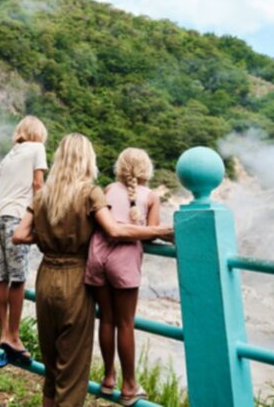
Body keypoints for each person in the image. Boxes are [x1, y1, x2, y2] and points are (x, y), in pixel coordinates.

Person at [12, 134, 173, 407]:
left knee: (51, 371)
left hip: (45, 275)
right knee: (71, 373)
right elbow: (114, 230)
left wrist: (46, 239)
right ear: (88, 159)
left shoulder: (43, 194)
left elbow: (19, 234)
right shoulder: (89, 192)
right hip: (75, 278)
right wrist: (163, 231)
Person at [85, 148, 160, 404]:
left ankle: (108, 378)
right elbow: (151, 232)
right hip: (124, 259)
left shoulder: (107, 190)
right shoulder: (150, 196)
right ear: (145, 169)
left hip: (97, 255)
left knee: (106, 319)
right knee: (125, 323)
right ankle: (129, 385)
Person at [0, 116, 48, 366]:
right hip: (15, 217)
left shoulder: (12, 153)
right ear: (39, 133)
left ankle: (3, 332)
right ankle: (14, 336)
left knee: (1, 277)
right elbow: (38, 183)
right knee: (19, 278)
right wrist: (39, 216)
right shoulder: (37, 148)